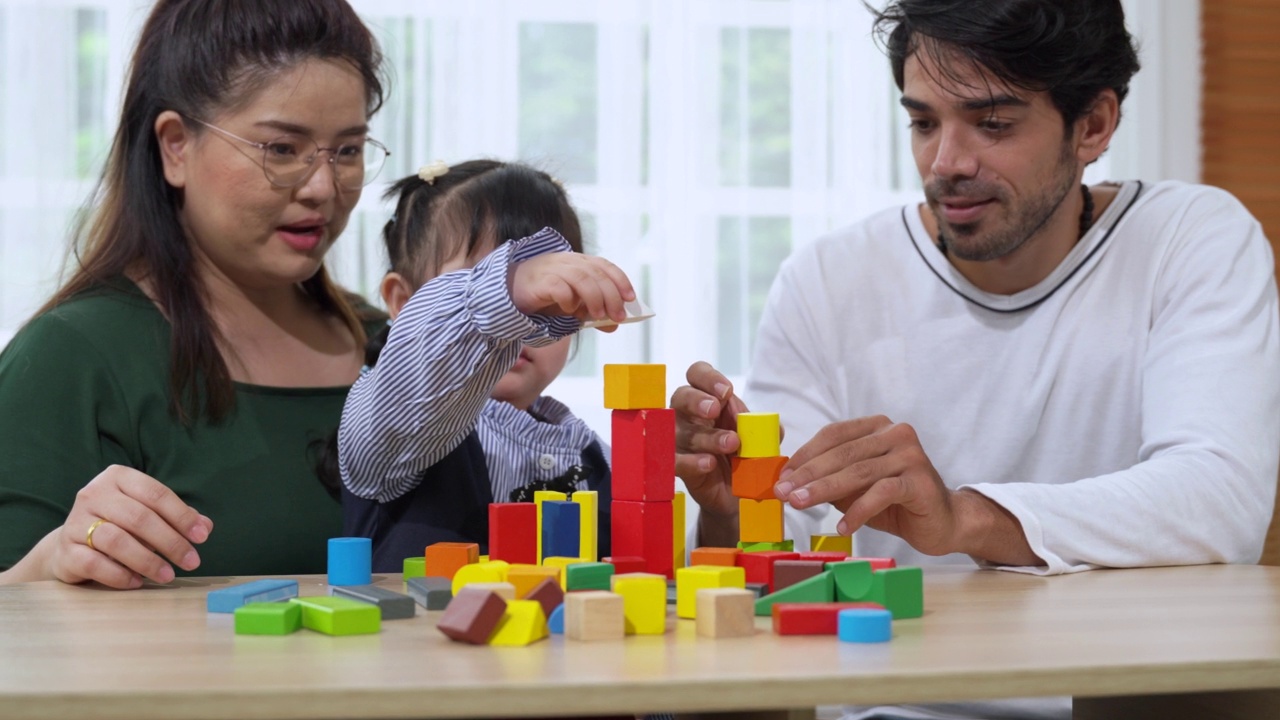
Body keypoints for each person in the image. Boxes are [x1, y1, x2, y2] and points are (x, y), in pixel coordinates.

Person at [677, 0, 1279, 584]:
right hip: (891, 684)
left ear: (1093, 126)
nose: (946, 162)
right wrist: (731, 509)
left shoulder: (1189, 239)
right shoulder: (827, 279)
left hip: (1121, 683)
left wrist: (965, 517)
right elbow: (790, 547)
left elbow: (1219, 502)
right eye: (923, 122)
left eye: (992, 124)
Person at [0, 0, 390, 588]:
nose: (322, 187)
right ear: (176, 146)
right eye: (281, 149)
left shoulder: (390, 346)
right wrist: (53, 562)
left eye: (348, 151)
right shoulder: (72, 358)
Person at [335, 159, 642, 571]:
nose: (526, 315)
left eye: (554, 293)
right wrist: (507, 290)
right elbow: (410, 390)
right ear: (404, 304)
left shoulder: (596, 457)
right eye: (482, 275)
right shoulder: (394, 423)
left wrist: (717, 514)